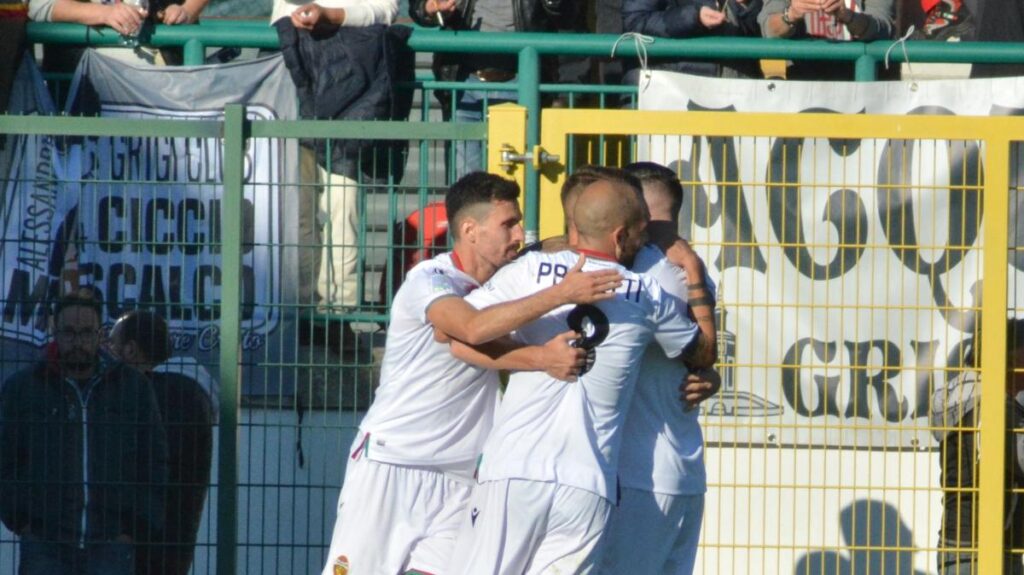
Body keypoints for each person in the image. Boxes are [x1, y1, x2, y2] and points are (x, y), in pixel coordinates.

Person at [318, 171, 623, 575]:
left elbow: (548, 250)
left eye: (519, 223)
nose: (519, 234)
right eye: (508, 224)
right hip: (394, 463)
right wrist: (560, 296)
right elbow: (472, 329)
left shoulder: (510, 282)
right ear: (469, 230)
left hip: (462, 478)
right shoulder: (429, 280)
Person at [445, 173, 717, 573]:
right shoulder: (649, 292)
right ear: (620, 236)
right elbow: (704, 352)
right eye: (641, 234)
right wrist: (692, 270)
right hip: (588, 483)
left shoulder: (530, 269)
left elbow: (455, 330)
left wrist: (532, 351)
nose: (646, 243)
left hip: (513, 469)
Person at [585, 161, 721, 575]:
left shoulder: (639, 273)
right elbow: (699, 354)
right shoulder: (690, 272)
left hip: (635, 476)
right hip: (684, 475)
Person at [0, 286, 169, 575]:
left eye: (86, 332)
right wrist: (23, 520)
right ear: (54, 332)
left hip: (112, 541)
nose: (77, 342)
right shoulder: (24, 388)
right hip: (45, 542)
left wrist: (133, 527)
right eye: (69, 332)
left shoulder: (133, 388)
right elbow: (6, 459)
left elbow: (154, 458)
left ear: (100, 334)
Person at [272, 0, 402, 317]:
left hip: (354, 87)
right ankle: (298, 312)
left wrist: (332, 15)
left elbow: (385, 10)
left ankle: (338, 315)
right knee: (295, 212)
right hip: (291, 78)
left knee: (343, 208)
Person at [107, 310, 214, 575]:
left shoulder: (157, 397)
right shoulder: (187, 391)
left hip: (142, 542)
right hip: (175, 540)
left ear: (130, 350)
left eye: (112, 345)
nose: (106, 354)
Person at [408, 0, 565, 179]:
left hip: (523, 82)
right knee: (466, 181)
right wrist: (429, 8)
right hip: (464, 83)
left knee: (517, 179)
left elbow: (567, 15)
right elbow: (419, 8)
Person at [932, 318, 1024, 574]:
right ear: (1011, 358)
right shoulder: (991, 405)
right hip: (981, 547)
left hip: (963, 543)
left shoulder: (967, 397)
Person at [623, 0, 764, 79]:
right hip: (671, 90)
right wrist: (694, 17)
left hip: (736, 88)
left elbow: (758, 27)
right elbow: (636, 21)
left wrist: (746, 5)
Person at [759, 0, 895, 80]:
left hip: (865, 81)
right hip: (803, 83)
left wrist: (848, 16)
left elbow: (883, 29)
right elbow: (769, 29)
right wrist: (791, 15)